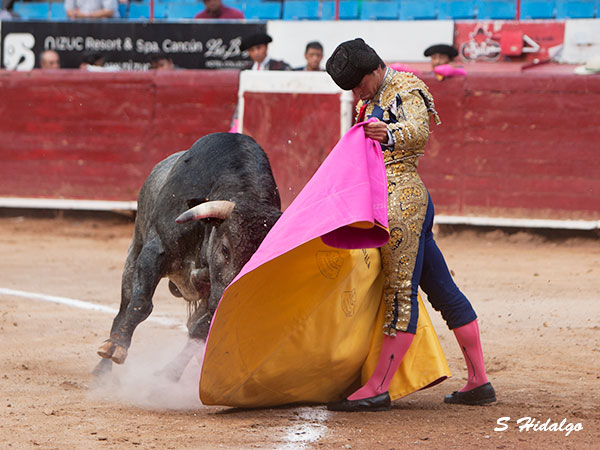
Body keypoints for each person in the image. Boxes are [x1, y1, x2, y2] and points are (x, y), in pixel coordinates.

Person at [325, 38, 495, 412]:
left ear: (374, 70)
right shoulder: (369, 99)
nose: (356, 92)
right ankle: (479, 381)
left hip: (403, 200)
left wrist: (388, 133)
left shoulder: (407, 86)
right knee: (441, 288)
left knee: (399, 291)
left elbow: (419, 130)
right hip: (387, 199)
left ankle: (378, 387)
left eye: (358, 83)